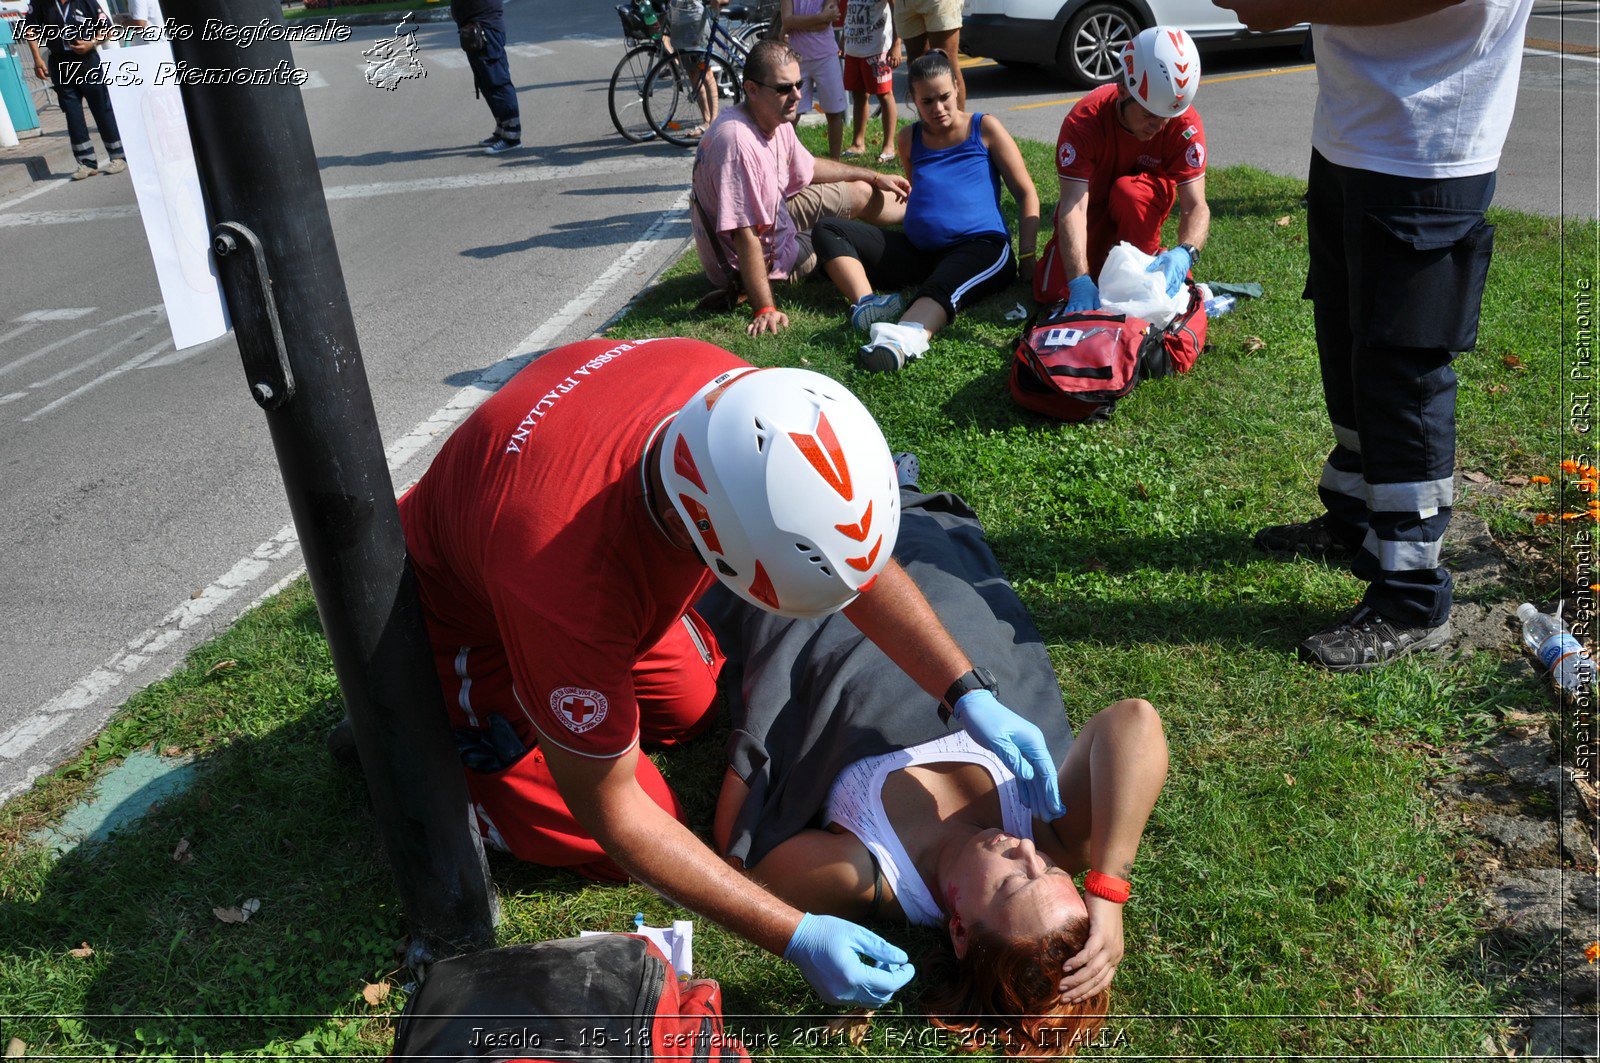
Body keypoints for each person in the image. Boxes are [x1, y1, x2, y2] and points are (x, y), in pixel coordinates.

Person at [398, 337, 1068, 1009]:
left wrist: (965, 690)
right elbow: (617, 816)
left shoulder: (742, 407)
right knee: (614, 831)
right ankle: (408, 735)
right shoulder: (566, 586)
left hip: (568, 540)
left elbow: (849, 562)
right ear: (698, 531)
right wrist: (794, 934)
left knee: (692, 708)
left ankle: (596, 669)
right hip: (459, 622)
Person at [705, 481, 1167, 1053]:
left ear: (959, 931)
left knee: (771, 516)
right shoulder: (1052, 832)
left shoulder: (867, 873)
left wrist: (760, 738)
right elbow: (1134, 722)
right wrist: (1108, 883)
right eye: (1051, 873)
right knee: (856, 506)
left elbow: (741, 850)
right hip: (920, 570)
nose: (1024, 851)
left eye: (1014, 883)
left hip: (817, 608)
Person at [1216, 0, 1532, 669]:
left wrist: (1290, 6)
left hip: (1430, 139)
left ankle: (1411, 596)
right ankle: (1355, 517)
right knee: (1345, 331)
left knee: (1402, 369)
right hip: (1351, 123)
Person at [811, 50, 1038, 372]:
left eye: (944, 97)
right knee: (829, 229)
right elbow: (922, 196)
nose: (938, 108)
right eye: (927, 101)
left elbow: (1026, 192)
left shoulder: (984, 128)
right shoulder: (908, 139)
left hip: (981, 247)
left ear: (957, 88)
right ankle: (869, 304)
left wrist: (1028, 255)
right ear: (913, 99)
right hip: (921, 252)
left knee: (941, 286)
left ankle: (900, 340)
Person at [690, 39, 911, 337]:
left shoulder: (773, 119)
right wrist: (765, 308)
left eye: (799, 84)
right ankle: (870, 296)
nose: (797, 95)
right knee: (833, 236)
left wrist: (872, 176)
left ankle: (925, 217)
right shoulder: (737, 143)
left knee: (858, 191)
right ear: (751, 89)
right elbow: (745, 236)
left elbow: (808, 167)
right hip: (756, 263)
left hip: (777, 215)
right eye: (784, 88)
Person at [1032, 27, 1210, 314]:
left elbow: (1195, 205)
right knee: (1053, 291)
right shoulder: (1084, 122)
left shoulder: (1183, 123)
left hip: (1139, 207)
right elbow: (1073, 208)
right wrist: (1078, 280)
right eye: (1149, 115)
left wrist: (1186, 252)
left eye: (1167, 118)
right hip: (1092, 209)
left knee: (1130, 193)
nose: (1159, 127)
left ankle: (1152, 257)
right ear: (1123, 88)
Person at [21, 0, 127, 181]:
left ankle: (118, 156)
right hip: (60, 62)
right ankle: (86, 162)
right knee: (72, 113)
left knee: (102, 108)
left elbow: (107, 29)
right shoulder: (40, 3)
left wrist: (92, 42)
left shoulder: (86, 2)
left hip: (87, 60)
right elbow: (30, 29)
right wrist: (37, 58)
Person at [451, 0, 521, 155]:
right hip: (474, 27)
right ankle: (502, 128)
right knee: (486, 82)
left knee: (497, 81)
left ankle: (512, 136)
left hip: (486, 28)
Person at [781, 0, 848, 159]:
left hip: (826, 56)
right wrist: (821, 17)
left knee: (834, 113)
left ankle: (835, 162)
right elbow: (787, 20)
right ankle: (786, 160)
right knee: (791, 115)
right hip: (796, 59)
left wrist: (795, 23)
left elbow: (824, 24)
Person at [841, 0, 900, 163]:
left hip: (877, 49)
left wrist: (896, 43)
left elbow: (897, 9)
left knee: (885, 95)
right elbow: (850, 11)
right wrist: (844, 39)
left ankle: (889, 146)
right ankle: (858, 143)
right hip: (853, 49)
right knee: (858, 95)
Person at [894, 0, 962, 110]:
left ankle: (957, 126)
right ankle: (928, 125)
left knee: (946, 64)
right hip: (905, 3)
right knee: (917, 68)